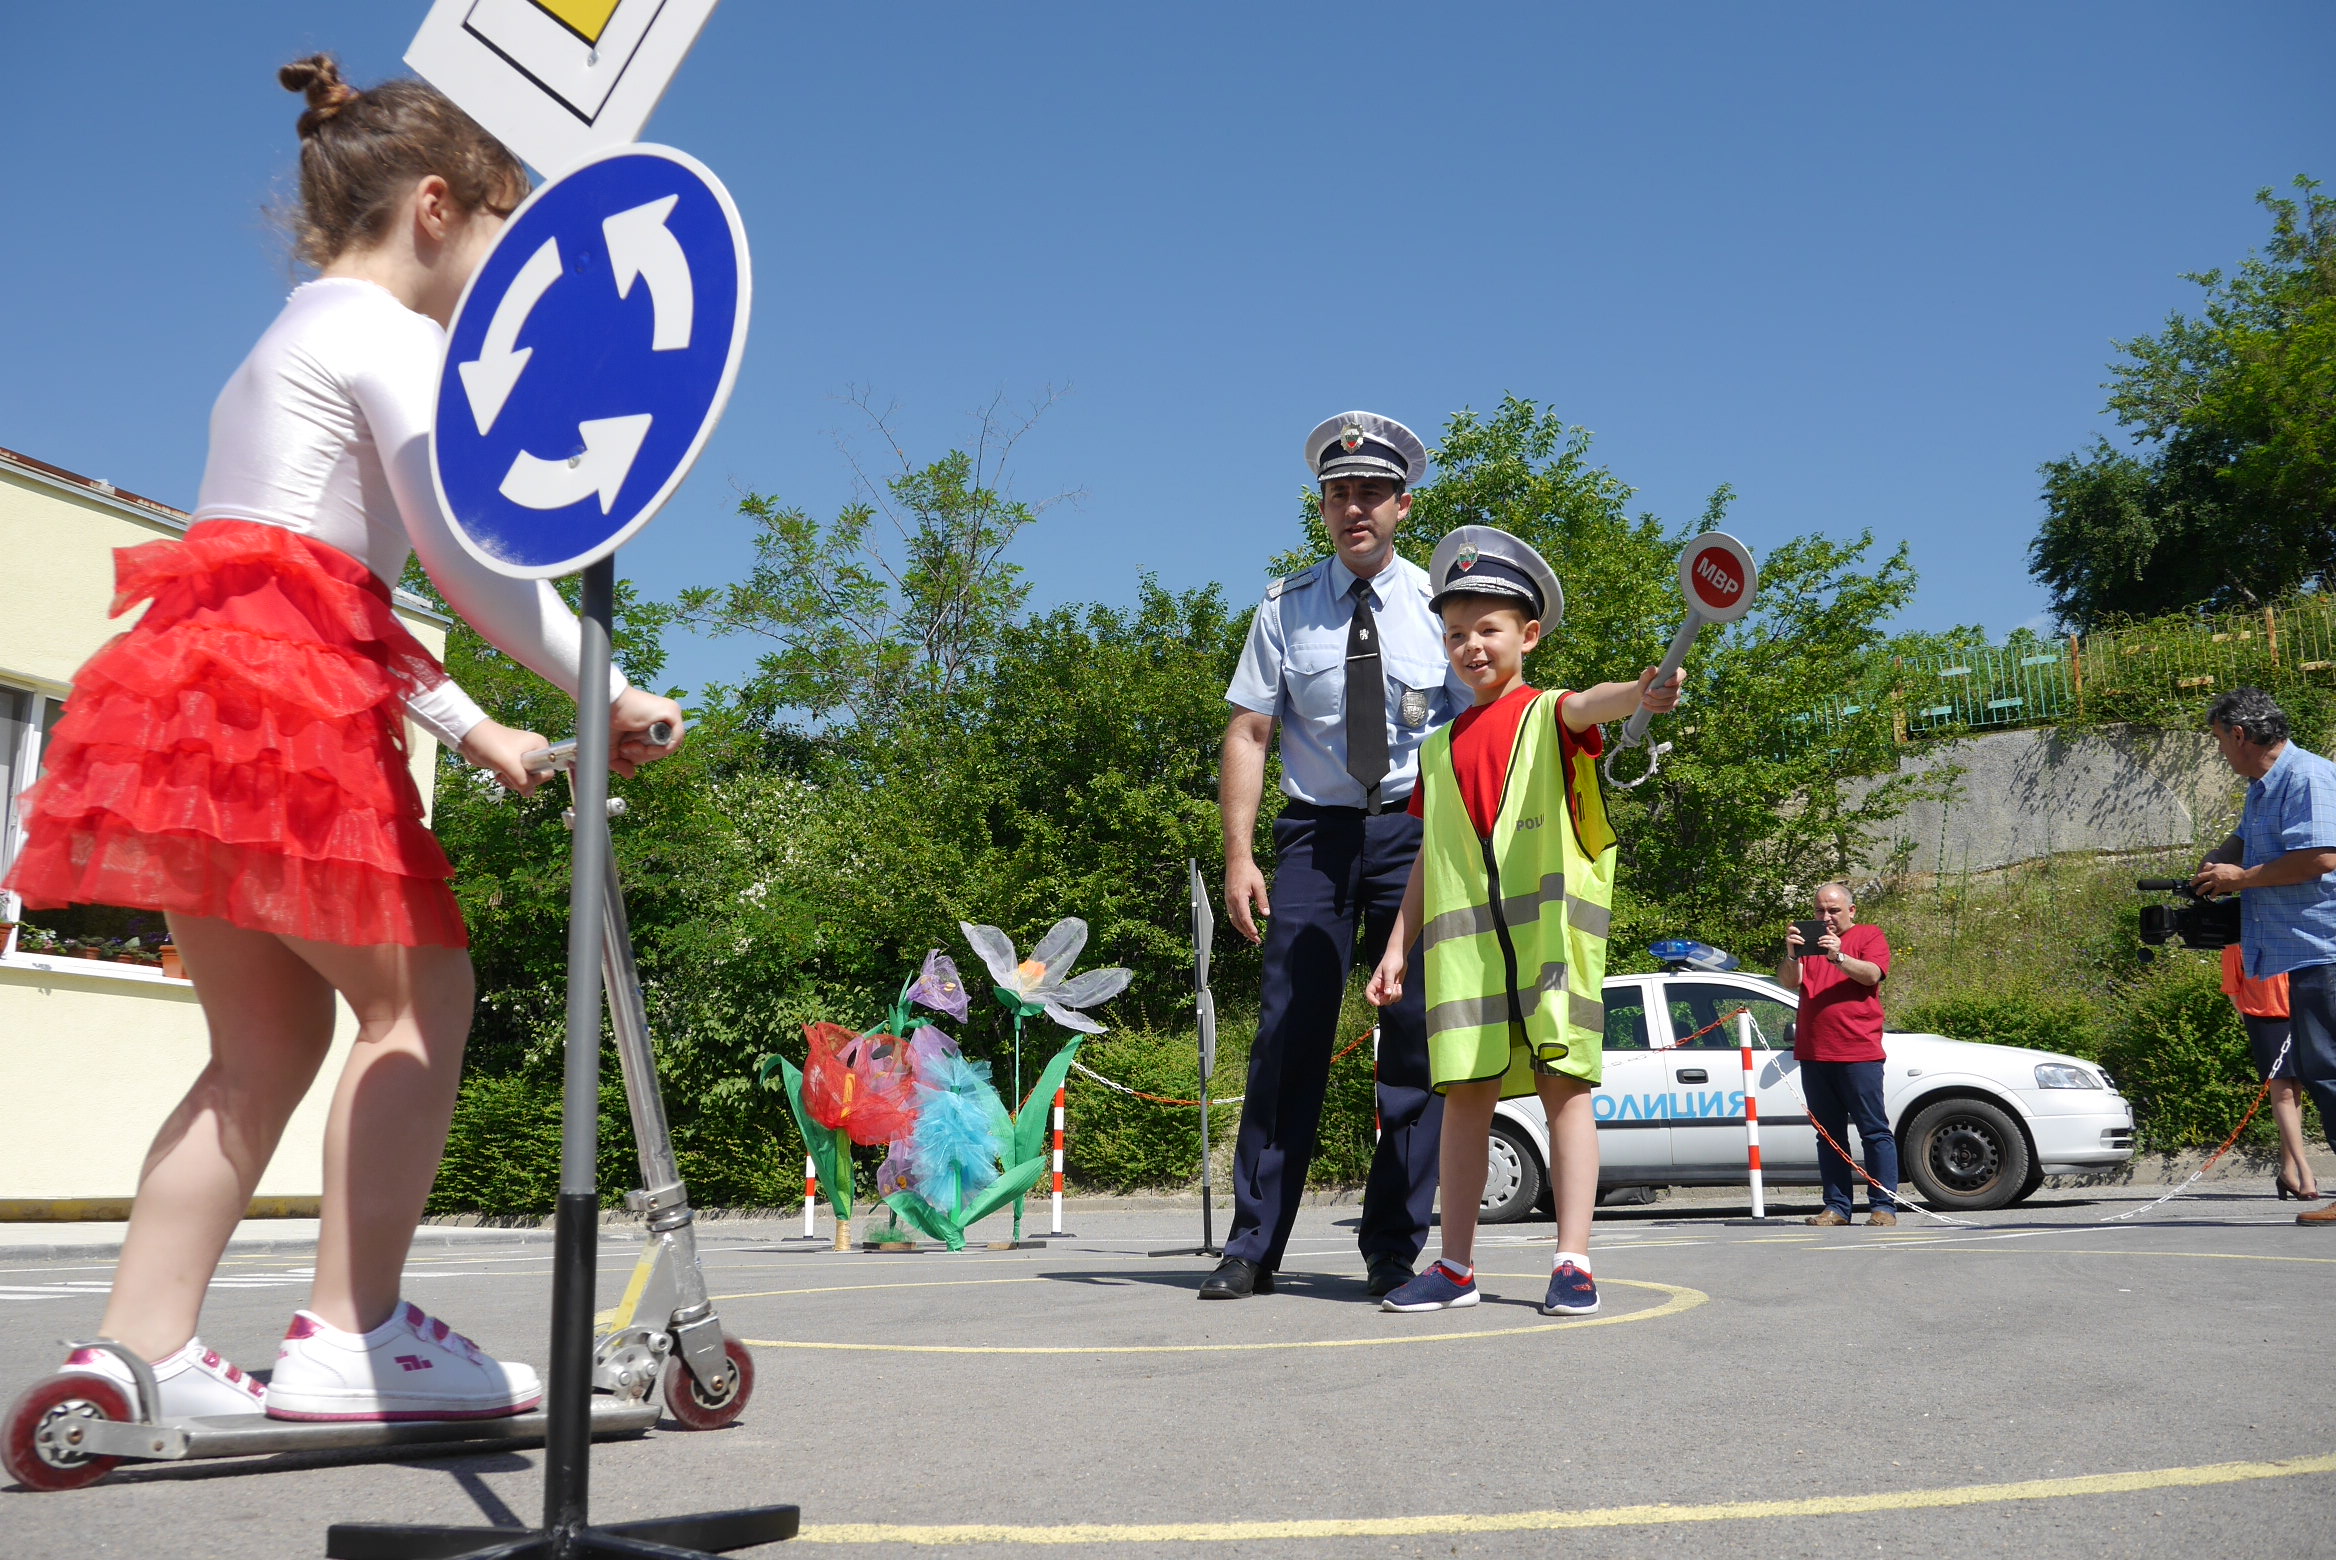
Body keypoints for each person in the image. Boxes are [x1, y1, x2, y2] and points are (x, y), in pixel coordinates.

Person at [1, 57, 685, 1421]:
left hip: (198, 714)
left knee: (261, 1048)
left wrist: (474, 727)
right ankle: (353, 1335)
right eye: (504, 233)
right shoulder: (394, 338)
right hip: (283, 715)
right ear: (437, 206)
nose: (508, 277)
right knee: (419, 1001)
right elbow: (469, 557)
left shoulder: (288, 341)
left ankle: (138, 1354)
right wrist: (603, 685)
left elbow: (314, 593)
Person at [1363, 525, 1678, 1315]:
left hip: (1549, 947)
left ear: (1528, 635)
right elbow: (1429, 859)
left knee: (1563, 1088)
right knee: (1464, 1099)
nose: (1471, 646)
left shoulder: (1548, 714)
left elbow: (1595, 702)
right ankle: (1455, 1267)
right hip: (1465, 962)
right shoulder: (1437, 749)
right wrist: (1397, 948)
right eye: (1455, 634)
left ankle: (1573, 1261)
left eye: (1488, 629)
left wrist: (1640, 693)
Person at [1204, 413, 1470, 1301]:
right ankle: (1253, 1245)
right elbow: (1249, 731)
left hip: (1416, 836)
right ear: (1322, 506)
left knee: (1415, 1043)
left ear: (1402, 505)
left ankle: (1393, 1247)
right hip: (1314, 839)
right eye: (1338, 493)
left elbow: (1479, 727)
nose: (1355, 508)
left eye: (1372, 494)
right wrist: (1239, 856)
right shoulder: (1283, 607)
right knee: (1288, 1035)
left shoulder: (1442, 608)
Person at [2190, 688, 2336, 1226]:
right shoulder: (2264, 786)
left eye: (2219, 740)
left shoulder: (2307, 776)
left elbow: (2319, 858)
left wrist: (2241, 878)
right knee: (2322, 1069)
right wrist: (2219, 859)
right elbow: (2245, 837)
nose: (2219, 752)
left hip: (2325, 949)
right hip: (2304, 953)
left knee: (2330, 1069)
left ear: (2239, 734)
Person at [2202, 834, 2323, 1201]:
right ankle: (2304, 1172)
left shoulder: (2290, 922)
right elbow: (2232, 985)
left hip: (2300, 1007)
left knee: (2299, 1090)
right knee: (2284, 1091)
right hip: (2264, 1015)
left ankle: (2287, 1170)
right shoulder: (2240, 928)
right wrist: (2249, 1018)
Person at [1777, 883, 1899, 1227]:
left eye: (1834, 910)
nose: (1826, 917)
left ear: (1851, 910)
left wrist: (1839, 956)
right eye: (1820, 911)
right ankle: (1837, 1207)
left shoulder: (1869, 935)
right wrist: (1792, 954)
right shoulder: (1809, 943)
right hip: (1815, 1054)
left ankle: (1883, 1207)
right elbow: (1788, 982)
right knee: (1828, 1135)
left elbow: (1872, 974)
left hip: (1858, 1051)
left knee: (1873, 1131)